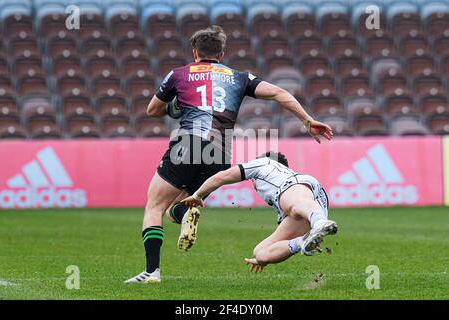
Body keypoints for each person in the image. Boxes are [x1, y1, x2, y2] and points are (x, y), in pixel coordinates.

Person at [125, 26, 333, 284]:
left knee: (154, 207)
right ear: (221, 54)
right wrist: (308, 120)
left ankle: (152, 272)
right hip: (220, 151)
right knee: (178, 205)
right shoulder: (239, 77)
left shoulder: (178, 74)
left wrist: (175, 108)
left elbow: (152, 110)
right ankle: (184, 215)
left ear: (194, 52)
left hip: (189, 142)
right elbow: (279, 93)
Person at [181, 152, 338, 272]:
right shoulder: (276, 191)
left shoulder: (264, 164)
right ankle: (303, 242)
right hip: (316, 204)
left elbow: (221, 177)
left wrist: (197, 195)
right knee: (261, 253)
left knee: (295, 206)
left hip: (299, 189)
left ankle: (320, 223)